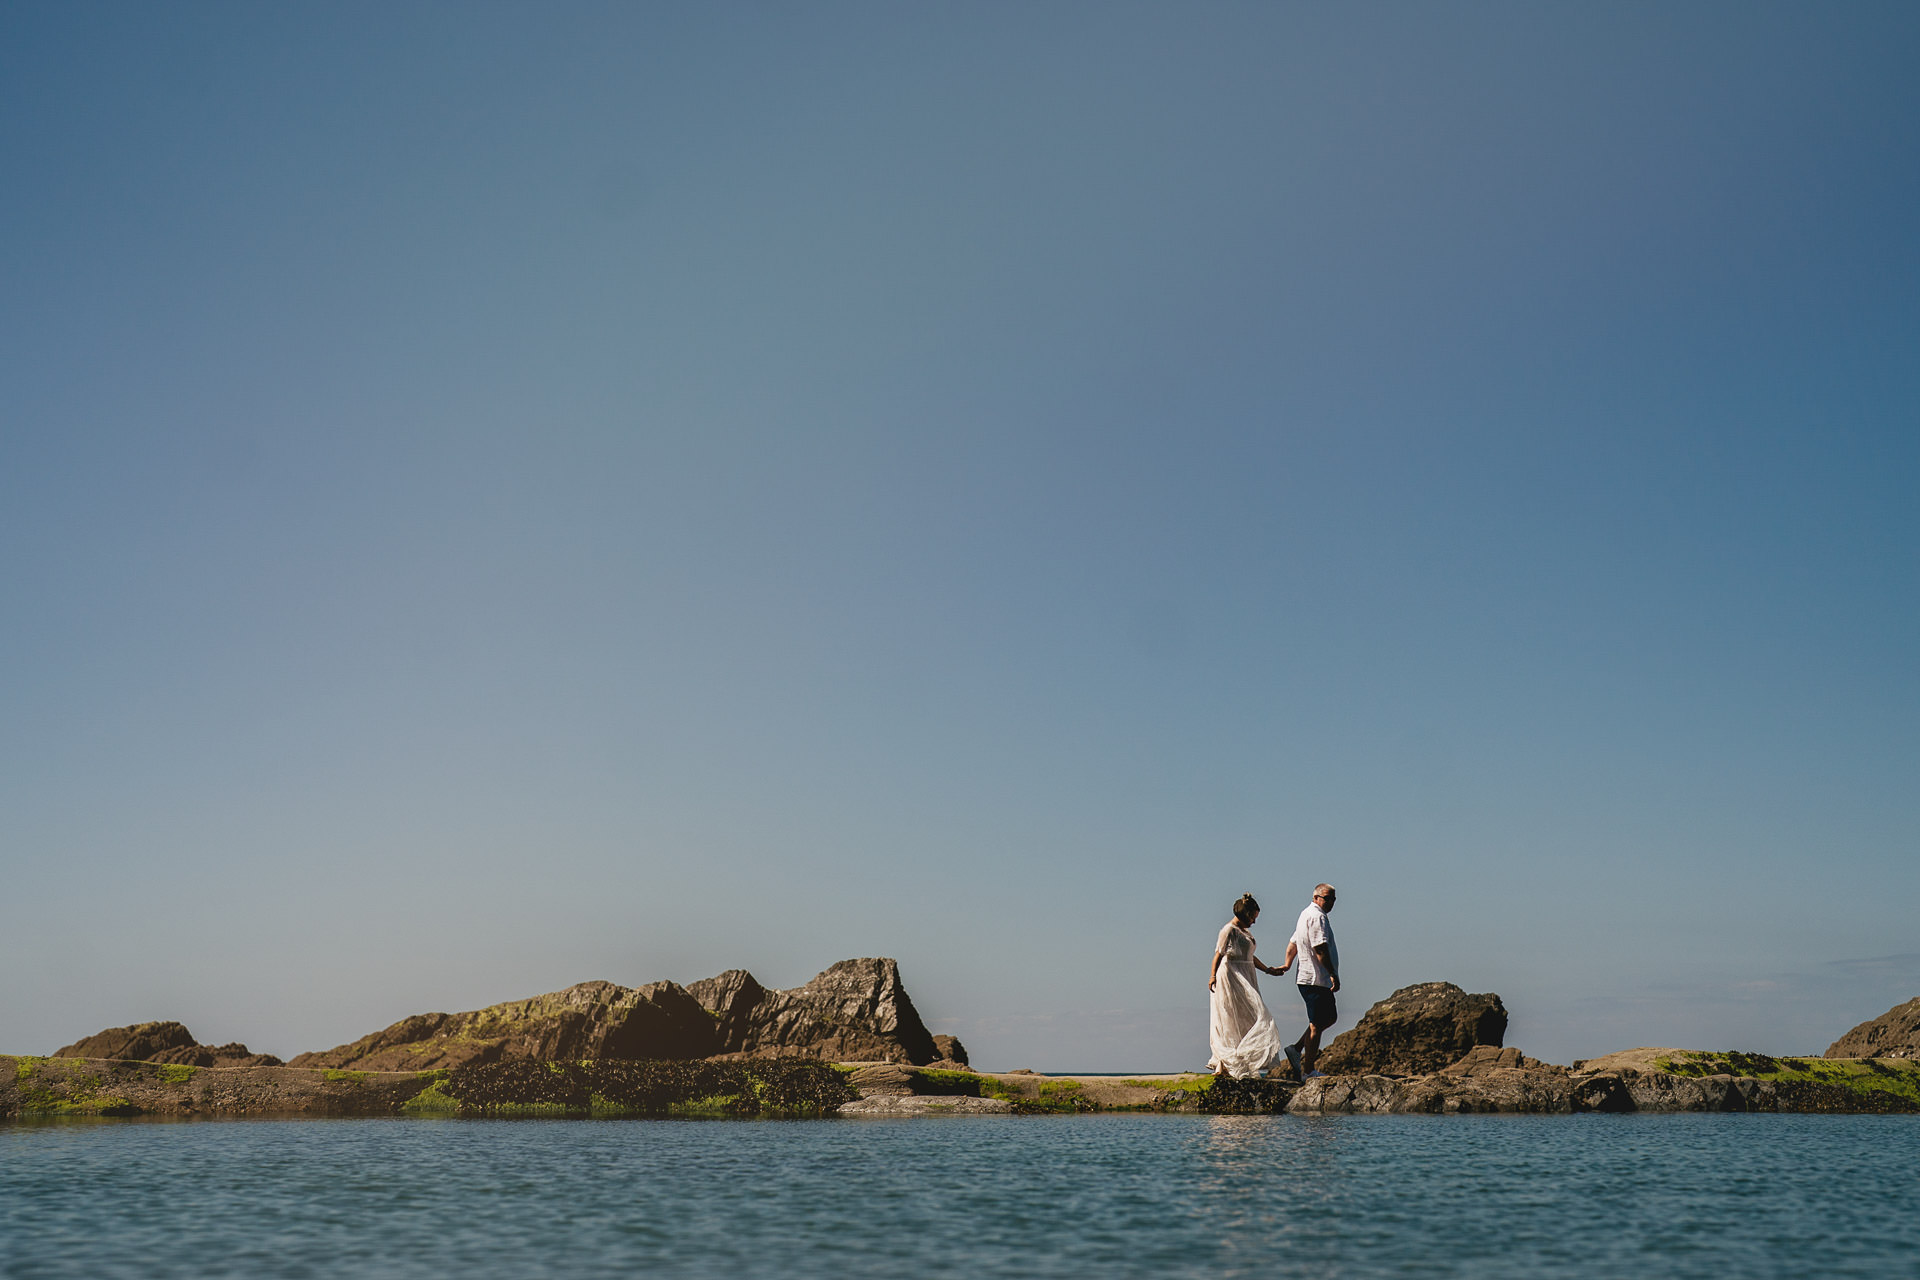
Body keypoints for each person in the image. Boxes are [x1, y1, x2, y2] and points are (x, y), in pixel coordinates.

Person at [1207, 892, 1287, 1078]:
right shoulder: (1229, 930)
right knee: (1228, 1018)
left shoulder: (1245, 932)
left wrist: (1268, 970)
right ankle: (1223, 1064)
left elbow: (1249, 957)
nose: (1254, 922)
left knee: (1248, 1017)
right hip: (1231, 976)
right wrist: (1212, 976)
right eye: (1252, 917)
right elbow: (1218, 954)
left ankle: (1241, 1061)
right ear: (1245, 915)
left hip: (1246, 976)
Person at [1281, 883, 1340, 1081]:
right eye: (1327, 898)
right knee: (1317, 1024)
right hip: (1314, 978)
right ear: (1316, 897)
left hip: (1314, 978)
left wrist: (1287, 964)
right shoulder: (1317, 917)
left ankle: (1296, 1049)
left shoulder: (1305, 914)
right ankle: (1307, 1071)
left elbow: (1293, 942)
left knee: (1329, 1018)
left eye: (1333, 898)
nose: (1330, 902)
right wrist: (1332, 973)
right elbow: (1320, 948)